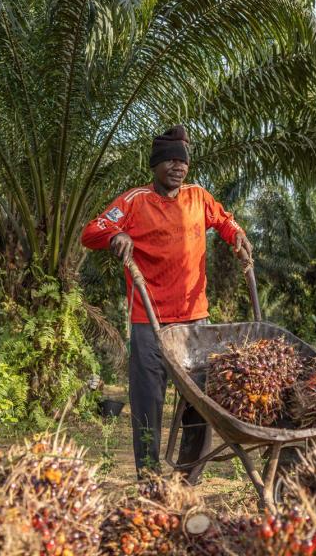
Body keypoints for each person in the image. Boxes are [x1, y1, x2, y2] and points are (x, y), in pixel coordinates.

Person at [81, 124, 252, 478]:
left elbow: (223, 221)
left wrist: (236, 235)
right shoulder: (134, 201)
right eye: (170, 160)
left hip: (194, 320)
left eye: (183, 161)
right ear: (155, 165)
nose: (178, 167)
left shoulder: (198, 197)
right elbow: (92, 231)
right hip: (149, 321)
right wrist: (116, 235)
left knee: (199, 401)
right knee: (148, 401)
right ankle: (148, 475)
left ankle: (188, 479)